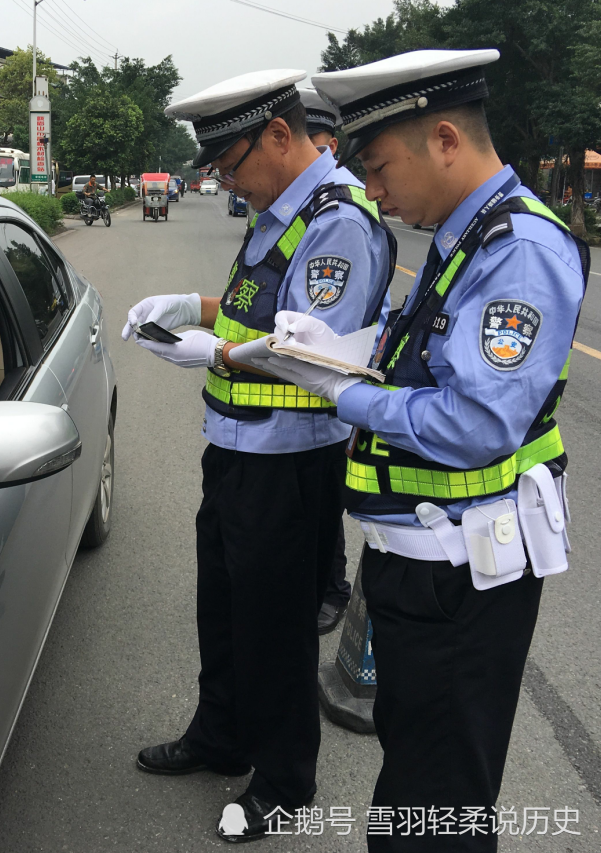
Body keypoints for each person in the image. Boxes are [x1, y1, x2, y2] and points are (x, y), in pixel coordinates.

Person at [255, 49, 588, 850]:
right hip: (428, 563)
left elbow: (475, 422)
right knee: (415, 782)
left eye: (377, 165)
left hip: (462, 577)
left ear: (444, 139)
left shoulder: (519, 251)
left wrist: (345, 392)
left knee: (433, 807)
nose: (370, 191)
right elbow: (431, 364)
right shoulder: (464, 232)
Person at [123, 69, 395, 842]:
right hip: (237, 446)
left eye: (231, 163)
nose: (225, 181)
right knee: (225, 608)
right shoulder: (282, 208)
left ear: (280, 136)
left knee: (274, 628)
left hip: (290, 458)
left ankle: (282, 779)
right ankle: (221, 734)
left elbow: (307, 350)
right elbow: (256, 308)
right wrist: (190, 308)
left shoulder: (337, 220)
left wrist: (214, 352)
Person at [300, 85, 352, 632]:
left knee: (325, 508)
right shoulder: (301, 204)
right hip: (299, 398)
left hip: (331, 388)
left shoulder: (340, 212)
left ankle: (334, 590)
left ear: (329, 145)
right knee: (316, 507)